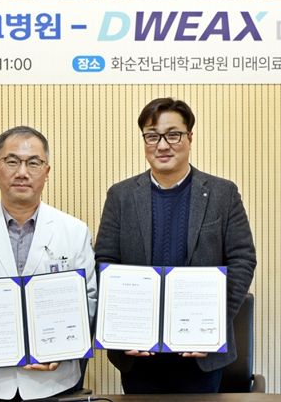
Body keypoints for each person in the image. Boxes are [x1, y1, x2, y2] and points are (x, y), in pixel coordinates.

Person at [95, 97, 257, 394]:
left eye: (173, 135)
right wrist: (121, 328)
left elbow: (242, 260)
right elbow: (105, 262)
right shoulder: (121, 196)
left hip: (201, 355)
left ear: (189, 137)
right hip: (139, 353)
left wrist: (213, 325)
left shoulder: (222, 193)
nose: (162, 145)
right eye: (152, 136)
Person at [0, 126, 97, 400]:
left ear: (46, 172)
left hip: (54, 382)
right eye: (12, 161)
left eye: (33, 163)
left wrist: (64, 349)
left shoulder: (74, 230)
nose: (22, 172)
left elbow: (89, 297)